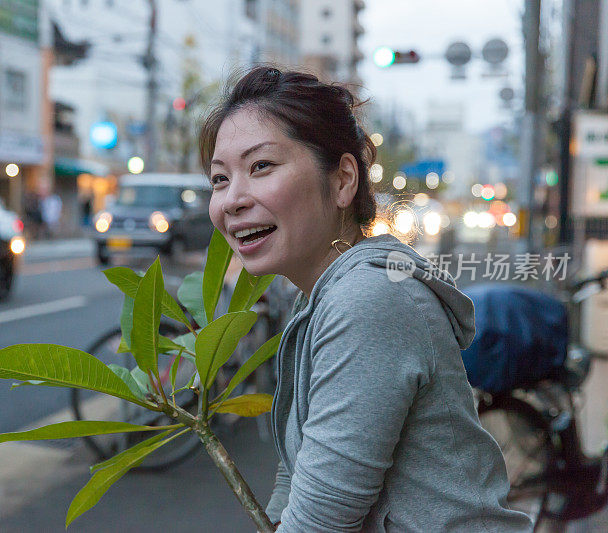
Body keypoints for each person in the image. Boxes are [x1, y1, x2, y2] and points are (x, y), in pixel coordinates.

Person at [199, 66, 532, 532]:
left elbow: (322, 518)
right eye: (219, 179)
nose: (232, 200)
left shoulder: (367, 300)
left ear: (341, 181)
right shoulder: (322, 296)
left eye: (261, 166)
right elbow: (300, 469)